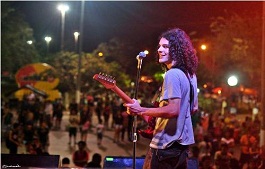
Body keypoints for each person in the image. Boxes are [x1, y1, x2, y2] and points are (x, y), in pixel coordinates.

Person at [125, 28, 198, 169]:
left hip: (164, 147)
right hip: (181, 149)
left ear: (177, 49)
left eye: (165, 46)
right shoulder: (191, 75)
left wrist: (141, 110)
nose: (159, 49)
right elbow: (193, 108)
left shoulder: (172, 74)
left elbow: (173, 110)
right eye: (159, 46)